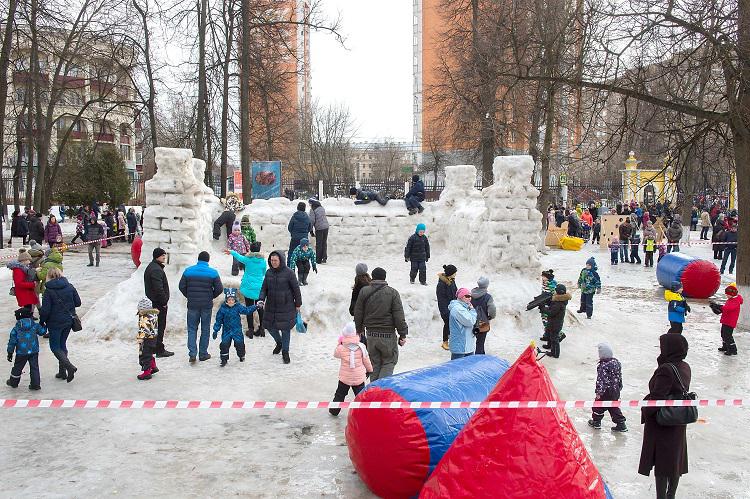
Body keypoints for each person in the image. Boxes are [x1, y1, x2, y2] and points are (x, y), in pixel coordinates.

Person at [638, 333, 691, 499]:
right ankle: (671, 495)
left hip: (663, 422)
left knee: (662, 464)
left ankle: (662, 496)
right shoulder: (684, 366)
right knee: (675, 460)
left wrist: (646, 410)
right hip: (678, 419)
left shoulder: (666, 370)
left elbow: (657, 397)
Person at [353, 267, 408, 381]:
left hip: (371, 335)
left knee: (375, 363)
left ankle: (374, 392)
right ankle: (382, 391)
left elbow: (358, 312)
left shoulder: (364, 291)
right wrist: (402, 334)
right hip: (387, 335)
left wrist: (359, 330)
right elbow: (398, 316)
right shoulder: (393, 293)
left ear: (373, 277)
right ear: (384, 277)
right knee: (389, 361)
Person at [258, 250, 302, 365]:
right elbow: (264, 288)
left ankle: (285, 352)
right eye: (271, 260)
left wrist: (298, 304)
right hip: (271, 305)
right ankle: (279, 342)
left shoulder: (289, 273)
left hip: (286, 306)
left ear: (281, 260)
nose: (273, 262)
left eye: (275, 260)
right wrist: (261, 299)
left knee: (285, 329)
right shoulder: (269, 273)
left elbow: (296, 289)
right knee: (270, 327)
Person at [178, 251, 223, 363]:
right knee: (205, 329)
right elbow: (219, 289)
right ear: (208, 260)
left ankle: (192, 353)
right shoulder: (213, 273)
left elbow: (181, 286)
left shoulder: (188, 271)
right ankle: (203, 354)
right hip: (206, 305)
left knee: (192, 329)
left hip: (192, 304)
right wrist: (211, 296)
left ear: (198, 259)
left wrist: (189, 295)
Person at [40, 268, 81, 382]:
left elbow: (45, 310)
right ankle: (62, 372)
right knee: (62, 345)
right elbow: (78, 302)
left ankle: (69, 367)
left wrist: (42, 321)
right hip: (68, 321)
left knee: (55, 347)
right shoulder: (70, 286)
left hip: (54, 323)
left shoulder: (48, 290)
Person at [329, 322, 372, 416]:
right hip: (358, 378)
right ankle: (363, 412)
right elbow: (366, 360)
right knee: (360, 396)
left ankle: (334, 410)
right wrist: (370, 370)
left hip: (345, 378)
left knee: (340, 394)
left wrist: (339, 343)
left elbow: (335, 354)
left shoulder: (341, 348)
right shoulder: (362, 347)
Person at [227, 241, 266, 338]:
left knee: (249, 309)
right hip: (259, 289)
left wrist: (231, 251)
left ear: (250, 250)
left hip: (248, 288)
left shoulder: (247, 260)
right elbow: (264, 272)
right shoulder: (263, 261)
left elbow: (238, 256)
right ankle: (262, 329)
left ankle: (251, 330)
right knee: (260, 308)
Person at [212, 288, 258, 366]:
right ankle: (224, 360)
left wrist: (256, 306)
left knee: (239, 344)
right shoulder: (222, 309)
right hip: (226, 330)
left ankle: (241, 355)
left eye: (232, 300)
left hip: (237, 330)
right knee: (224, 345)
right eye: (229, 300)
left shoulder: (238, 306)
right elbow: (218, 320)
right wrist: (216, 330)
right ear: (226, 300)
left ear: (235, 300)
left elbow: (247, 310)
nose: (230, 301)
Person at [587, 342, 627, 432]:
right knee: (613, 406)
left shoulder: (603, 366)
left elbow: (601, 380)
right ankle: (621, 423)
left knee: (598, 405)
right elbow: (619, 376)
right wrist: (619, 387)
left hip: (606, 391)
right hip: (615, 390)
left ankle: (596, 422)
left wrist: (599, 393)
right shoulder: (616, 363)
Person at [5, 307, 46, 390]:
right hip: (34, 350)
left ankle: (13, 382)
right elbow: (42, 332)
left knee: (18, 367)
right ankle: (35, 385)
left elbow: (12, 342)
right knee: (34, 367)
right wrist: (44, 326)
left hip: (21, 352)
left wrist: (10, 353)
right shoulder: (35, 325)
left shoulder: (16, 329)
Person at [144, 248, 174, 357]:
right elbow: (158, 288)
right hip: (158, 303)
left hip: (155, 302)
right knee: (160, 326)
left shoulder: (153, 267)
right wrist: (164, 301)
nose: (164, 257)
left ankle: (156, 348)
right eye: (162, 256)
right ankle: (159, 349)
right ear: (157, 256)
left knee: (157, 326)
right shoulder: (156, 269)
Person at [710, 283, 743, 356]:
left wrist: (719, 306)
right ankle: (725, 346)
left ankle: (732, 350)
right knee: (723, 334)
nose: (726, 295)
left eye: (727, 294)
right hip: (726, 320)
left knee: (728, 335)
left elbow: (728, 308)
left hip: (730, 322)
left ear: (732, 294)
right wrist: (717, 307)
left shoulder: (735, 301)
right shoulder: (731, 299)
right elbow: (726, 308)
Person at [447, 288, 478, 360]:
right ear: (460, 297)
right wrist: (473, 311)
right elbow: (470, 321)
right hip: (460, 346)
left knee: (468, 369)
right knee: (457, 369)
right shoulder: (458, 309)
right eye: (466, 296)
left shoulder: (465, 307)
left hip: (467, 345)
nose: (469, 298)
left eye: (470, 296)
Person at [541, 284, 570, 359]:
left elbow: (551, 312)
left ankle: (555, 353)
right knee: (551, 335)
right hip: (553, 322)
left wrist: (543, 309)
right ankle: (549, 346)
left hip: (555, 324)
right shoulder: (559, 300)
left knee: (554, 339)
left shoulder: (559, 303)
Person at [136, 297, 160, 380]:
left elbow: (143, 329)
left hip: (146, 339)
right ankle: (153, 367)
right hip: (154, 338)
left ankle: (147, 373)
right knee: (149, 353)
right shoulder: (153, 315)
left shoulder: (144, 317)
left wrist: (140, 338)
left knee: (145, 355)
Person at [471, 276, 496, 355]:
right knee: (480, 342)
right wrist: (491, 316)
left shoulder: (471, 294)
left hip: (470, 320)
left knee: (470, 341)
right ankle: (479, 358)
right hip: (482, 322)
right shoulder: (488, 297)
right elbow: (492, 309)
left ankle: (474, 355)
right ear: (486, 285)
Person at [436, 264, 458, 351]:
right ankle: (445, 342)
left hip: (453, 307)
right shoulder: (441, 284)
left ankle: (451, 341)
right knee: (447, 324)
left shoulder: (452, 280)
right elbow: (441, 299)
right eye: (455, 273)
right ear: (450, 273)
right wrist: (445, 311)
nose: (456, 274)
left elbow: (455, 292)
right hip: (446, 309)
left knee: (452, 324)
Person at [308, 198, 329, 264]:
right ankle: (324, 258)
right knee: (324, 243)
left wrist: (311, 230)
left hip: (319, 228)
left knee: (319, 244)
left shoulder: (312, 210)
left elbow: (312, 221)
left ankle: (318, 259)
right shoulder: (321, 208)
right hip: (326, 227)